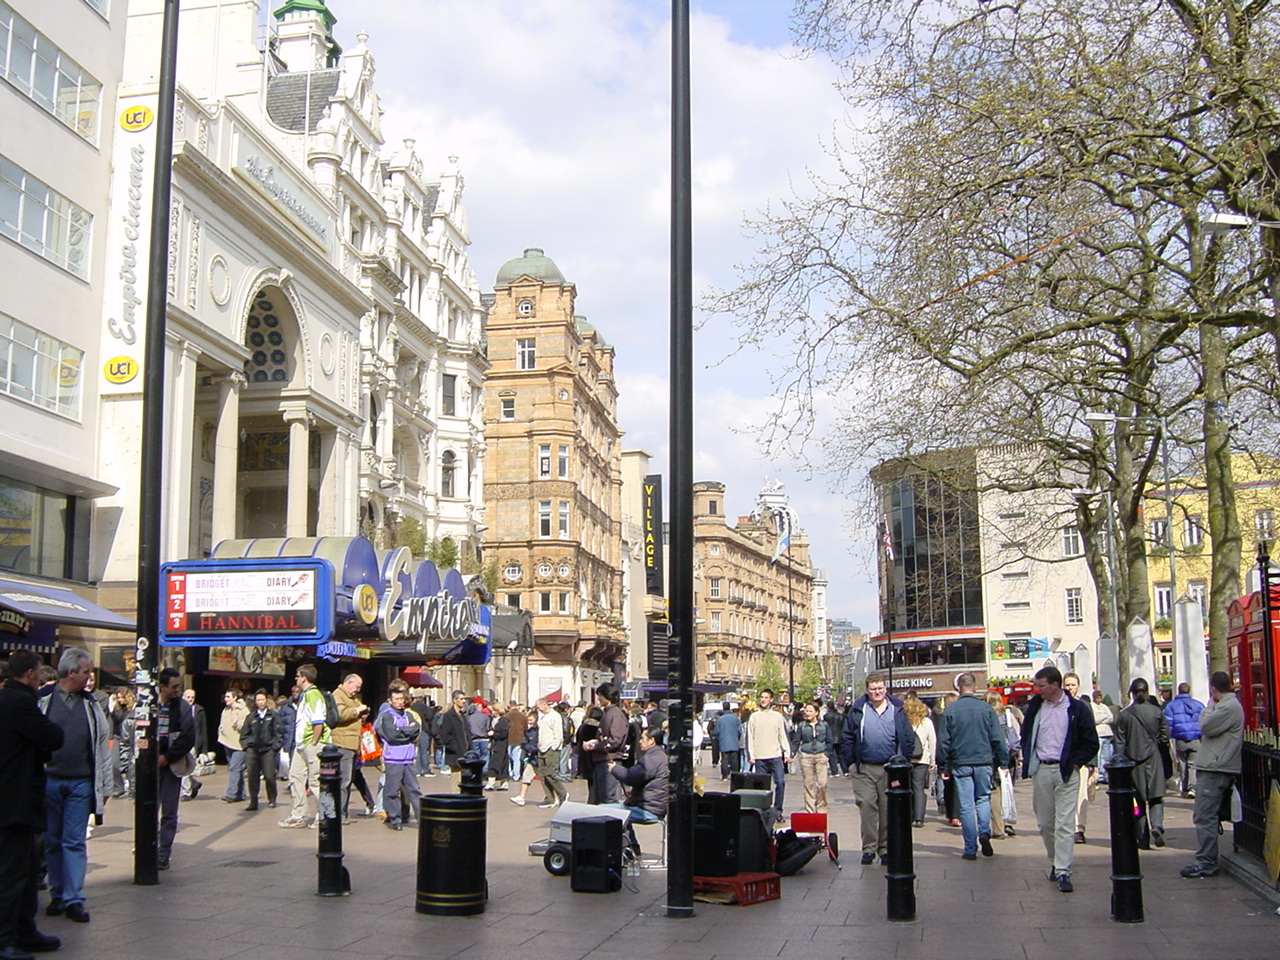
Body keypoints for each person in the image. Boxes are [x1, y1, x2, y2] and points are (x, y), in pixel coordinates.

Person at [37, 649, 112, 924]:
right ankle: (57, 894)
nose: (90, 677)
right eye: (86, 672)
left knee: (74, 840)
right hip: (50, 781)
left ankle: (73, 898)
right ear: (71, 673)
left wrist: (105, 785)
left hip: (81, 782)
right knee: (52, 841)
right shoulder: (43, 702)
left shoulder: (91, 706)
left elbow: (102, 746)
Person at [0, 650, 65, 959]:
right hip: (13, 802)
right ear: (29, 674)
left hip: (15, 800)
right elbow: (53, 736)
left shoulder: (7, 699)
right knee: (12, 875)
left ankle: (24, 931)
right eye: (39, 673)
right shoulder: (20, 702)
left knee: (26, 871)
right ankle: (5, 939)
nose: (41, 678)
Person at [1020, 665, 1099, 894]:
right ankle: (1055, 860)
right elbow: (1027, 734)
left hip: (1066, 770)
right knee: (1045, 822)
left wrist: (1076, 763)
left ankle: (1064, 869)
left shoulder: (1077, 709)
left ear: (1055, 685)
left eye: (1042, 685)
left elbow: (1091, 741)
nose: (1038, 689)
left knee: (1065, 822)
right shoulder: (1035, 707)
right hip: (1042, 769)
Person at [841, 674, 916, 865]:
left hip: (890, 769)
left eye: (880, 688)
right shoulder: (859, 709)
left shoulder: (897, 709)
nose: (877, 692)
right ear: (867, 690)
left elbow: (908, 738)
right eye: (873, 689)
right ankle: (869, 848)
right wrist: (850, 763)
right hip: (864, 767)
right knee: (866, 806)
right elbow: (847, 736)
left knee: (887, 809)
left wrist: (903, 762)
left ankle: (885, 848)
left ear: (886, 689)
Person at [937, 673, 1008, 860]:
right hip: (984, 761)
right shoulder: (987, 709)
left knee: (966, 806)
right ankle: (984, 831)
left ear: (958, 688)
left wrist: (943, 766)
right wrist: (1003, 761)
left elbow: (944, 741)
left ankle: (970, 848)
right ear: (975, 688)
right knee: (983, 798)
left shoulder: (951, 711)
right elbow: (998, 738)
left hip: (961, 762)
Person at [1181, 671, 1243, 879]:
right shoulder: (1228, 706)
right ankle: (1206, 859)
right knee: (1206, 815)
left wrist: (1209, 707)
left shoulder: (1227, 707)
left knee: (1204, 815)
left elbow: (1205, 726)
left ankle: (1206, 862)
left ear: (1213, 688)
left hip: (1216, 767)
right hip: (1215, 765)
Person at [1115, 677, 1171, 848]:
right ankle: (1157, 825)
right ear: (1147, 692)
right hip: (1153, 758)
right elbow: (1164, 735)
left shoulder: (1124, 715)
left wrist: (1120, 762)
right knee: (1156, 797)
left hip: (1133, 762)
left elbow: (1120, 742)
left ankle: (1142, 837)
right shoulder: (1156, 712)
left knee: (1136, 802)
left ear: (1132, 693)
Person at [279, 664, 330, 828]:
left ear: (304, 678)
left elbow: (318, 721)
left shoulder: (314, 695)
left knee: (315, 781)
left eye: (297, 676)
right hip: (301, 744)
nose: (295, 679)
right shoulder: (304, 695)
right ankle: (298, 813)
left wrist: (314, 742)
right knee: (295, 777)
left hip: (311, 743)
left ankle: (323, 815)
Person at [154, 668, 195, 870]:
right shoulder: (148, 704)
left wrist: (167, 757)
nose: (178, 691)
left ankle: (163, 853)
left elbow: (188, 737)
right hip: (149, 766)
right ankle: (148, 846)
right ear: (162, 687)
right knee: (148, 808)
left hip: (171, 766)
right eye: (174, 687)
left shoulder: (182, 708)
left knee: (169, 811)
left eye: (179, 686)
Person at [374, 682, 421, 831]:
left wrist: (404, 731)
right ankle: (395, 819)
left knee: (414, 790)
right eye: (396, 699)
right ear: (390, 700)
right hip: (393, 759)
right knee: (392, 791)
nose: (400, 702)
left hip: (408, 759)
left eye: (402, 699)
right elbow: (392, 735)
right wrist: (407, 732)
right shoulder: (387, 716)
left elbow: (416, 731)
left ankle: (423, 818)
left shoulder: (408, 715)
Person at [1062, 673, 1097, 844]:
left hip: (1081, 759)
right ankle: (1066, 827)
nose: (1069, 688)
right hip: (1061, 759)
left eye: (1073, 685)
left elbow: (1092, 736)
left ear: (1078, 686)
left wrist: (1093, 763)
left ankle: (1079, 828)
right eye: (1067, 685)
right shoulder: (1057, 706)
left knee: (1081, 794)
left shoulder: (1084, 707)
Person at [583, 683, 629, 804]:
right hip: (602, 759)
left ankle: (616, 822)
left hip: (609, 760)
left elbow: (615, 740)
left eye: (600, 696)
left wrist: (597, 745)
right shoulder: (608, 713)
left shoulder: (616, 715)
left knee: (609, 797)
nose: (598, 699)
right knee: (600, 797)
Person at [330, 674, 369, 817]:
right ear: (349, 683)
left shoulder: (352, 698)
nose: (357, 690)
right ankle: (340, 814)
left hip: (353, 744)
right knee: (344, 780)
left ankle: (343, 812)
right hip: (343, 742)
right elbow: (340, 715)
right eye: (356, 687)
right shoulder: (338, 695)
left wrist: (362, 713)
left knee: (349, 779)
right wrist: (357, 711)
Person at [746, 689, 791, 812]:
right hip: (760, 758)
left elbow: (782, 735)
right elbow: (750, 737)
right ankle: (763, 810)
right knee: (761, 787)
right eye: (762, 697)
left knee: (780, 782)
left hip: (775, 756)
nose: (763, 699)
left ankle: (778, 809)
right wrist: (751, 755)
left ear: (771, 700)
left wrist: (787, 752)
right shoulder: (754, 717)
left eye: (766, 697)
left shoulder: (777, 717)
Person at [239, 690, 282, 811]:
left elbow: (279, 733)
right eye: (258, 700)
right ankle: (253, 801)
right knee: (252, 777)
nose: (261, 702)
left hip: (268, 750)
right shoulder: (251, 717)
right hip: (253, 750)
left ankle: (272, 799)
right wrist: (247, 746)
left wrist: (275, 748)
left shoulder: (273, 715)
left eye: (263, 699)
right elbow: (244, 734)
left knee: (269, 776)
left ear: (266, 701)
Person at [1164, 682, 1205, 797]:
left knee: (1182, 764)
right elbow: (1204, 720)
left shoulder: (1171, 706)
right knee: (1193, 764)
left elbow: (1168, 723)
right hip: (1196, 738)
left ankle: (1185, 788)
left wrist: (1169, 737)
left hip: (1180, 739)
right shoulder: (1198, 705)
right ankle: (1193, 788)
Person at [902, 692, 934, 827]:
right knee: (919, 787)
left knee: (907, 787)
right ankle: (919, 818)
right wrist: (933, 761)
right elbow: (932, 741)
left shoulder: (904, 721)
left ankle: (909, 815)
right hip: (922, 760)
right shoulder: (926, 722)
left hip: (906, 759)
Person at [794, 702, 833, 812]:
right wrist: (792, 754)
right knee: (808, 784)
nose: (808, 713)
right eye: (806, 711)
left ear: (816, 712)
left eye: (810, 711)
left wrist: (827, 753)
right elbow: (796, 740)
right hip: (807, 756)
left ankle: (821, 808)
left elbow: (829, 740)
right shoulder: (802, 725)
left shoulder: (824, 725)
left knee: (822, 784)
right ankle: (810, 811)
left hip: (821, 755)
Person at [533, 698, 567, 808]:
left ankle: (563, 794)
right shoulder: (542, 716)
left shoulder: (554, 716)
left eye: (538, 706)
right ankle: (549, 798)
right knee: (542, 775)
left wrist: (555, 746)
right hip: (541, 747)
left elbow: (558, 733)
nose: (537, 708)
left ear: (544, 704)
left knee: (550, 773)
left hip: (551, 748)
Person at [217, 690, 249, 803]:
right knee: (237, 769)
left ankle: (231, 794)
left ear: (235, 697)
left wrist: (236, 722)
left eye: (228, 697)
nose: (225, 699)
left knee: (234, 768)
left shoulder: (243, 711)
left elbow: (245, 727)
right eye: (225, 696)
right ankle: (241, 794)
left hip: (239, 745)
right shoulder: (226, 710)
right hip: (227, 742)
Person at [437, 690, 472, 790]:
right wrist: (454, 748)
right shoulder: (449, 716)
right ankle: (457, 800)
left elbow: (467, 733)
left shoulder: (462, 715)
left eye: (464, 699)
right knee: (456, 780)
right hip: (455, 754)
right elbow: (444, 736)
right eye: (461, 699)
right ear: (454, 700)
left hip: (466, 753)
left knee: (465, 780)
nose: (464, 701)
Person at [179, 689, 207, 801]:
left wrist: (204, 749)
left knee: (185, 767)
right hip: (180, 742)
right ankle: (194, 783)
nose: (190, 699)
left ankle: (185, 793)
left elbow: (203, 730)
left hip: (193, 743)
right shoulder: (178, 709)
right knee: (181, 768)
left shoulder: (199, 710)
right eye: (188, 697)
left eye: (192, 697)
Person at [1091, 689, 1117, 783]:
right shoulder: (1092, 706)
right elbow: (1095, 719)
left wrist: (1102, 718)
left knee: (1107, 756)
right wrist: (1104, 717)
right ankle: (1099, 775)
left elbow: (1111, 717)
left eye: (1100, 697)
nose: (1099, 699)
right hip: (1098, 733)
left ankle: (1105, 774)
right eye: (1097, 697)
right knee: (1098, 755)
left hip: (1107, 733)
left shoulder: (1104, 706)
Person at [716, 707, 743, 780]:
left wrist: (719, 738)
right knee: (734, 760)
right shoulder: (735, 718)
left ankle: (725, 775)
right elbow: (740, 731)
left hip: (724, 742)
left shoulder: (720, 719)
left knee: (724, 759)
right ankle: (735, 775)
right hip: (734, 742)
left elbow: (717, 731)